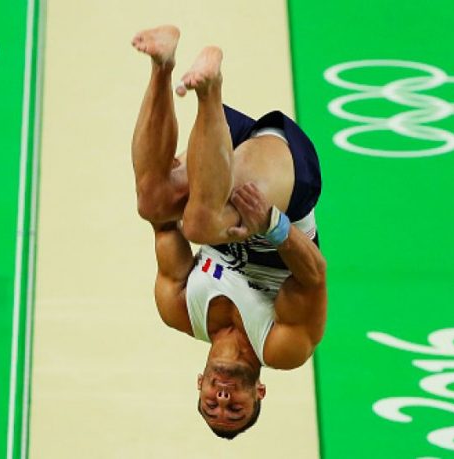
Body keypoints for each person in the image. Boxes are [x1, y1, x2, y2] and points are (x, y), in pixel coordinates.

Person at [131, 25, 327, 439]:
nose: (223, 399)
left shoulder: (180, 309)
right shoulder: (280, 347)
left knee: (154, 201)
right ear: (259, 391)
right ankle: (209, 87)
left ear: (199, 384)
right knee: (206, 223)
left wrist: (172, 210)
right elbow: (314, 276)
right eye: (235, 408)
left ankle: (162, 65)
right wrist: (274, 225)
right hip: (286, 188)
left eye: (211, 404)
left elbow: (162, 222)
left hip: (218, 165)